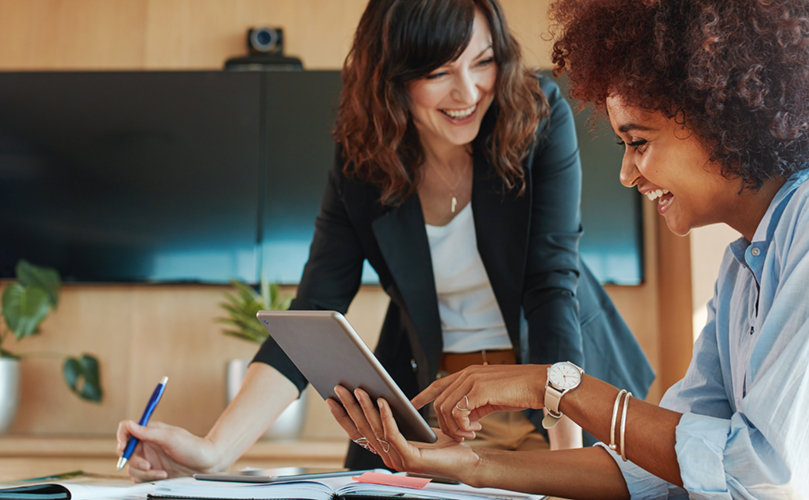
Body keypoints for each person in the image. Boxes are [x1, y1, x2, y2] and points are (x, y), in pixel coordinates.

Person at [116, 0, 653, 480]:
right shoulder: (364, 161)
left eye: (482, 61)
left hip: (558, 394)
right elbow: (314, 311)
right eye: (439, 71)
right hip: (443, 410)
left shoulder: (536, 116)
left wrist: (566, 461)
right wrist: (213, 451)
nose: (468, 92)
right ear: (393, 76)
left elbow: (549, 284)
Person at [328, 0, 809, 497]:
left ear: (724, 121)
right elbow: (670, 464)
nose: (626, 174)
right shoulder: (742, 269)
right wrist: (471, 466)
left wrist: (557, 385)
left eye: (638, 142)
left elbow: (757, 472)